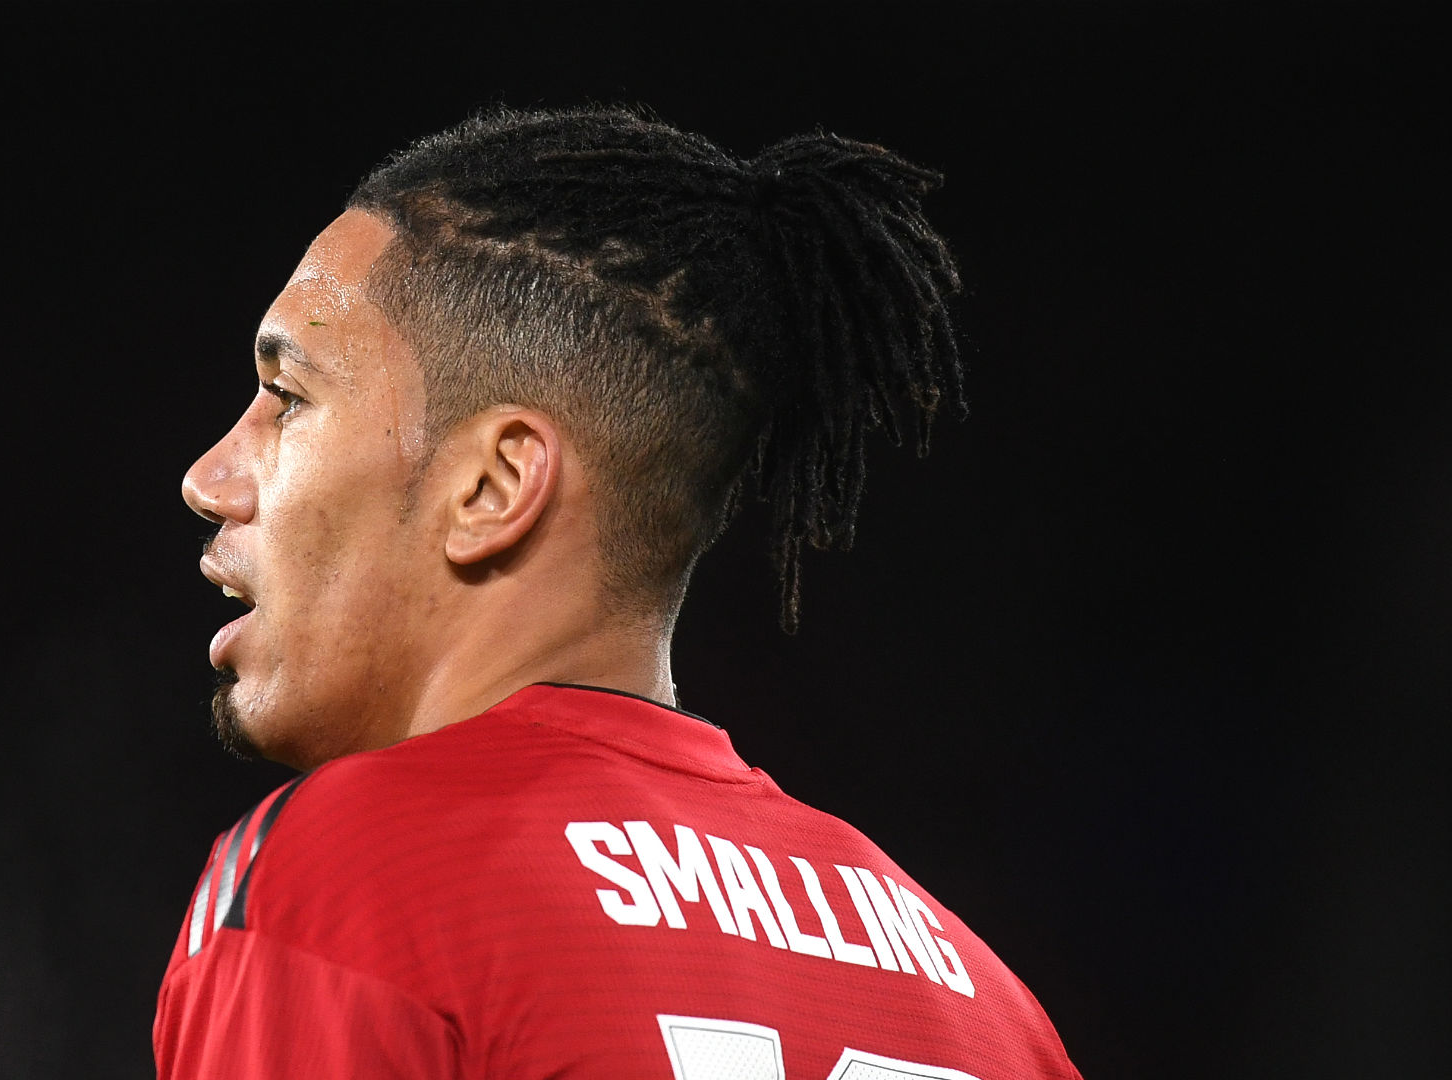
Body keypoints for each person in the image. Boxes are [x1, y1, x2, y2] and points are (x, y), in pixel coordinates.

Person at [157, 106, 1082, 1079]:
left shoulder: (349, 883)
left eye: (288, 398)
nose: (207, 479)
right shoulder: (996, 1013)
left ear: (493, 487)